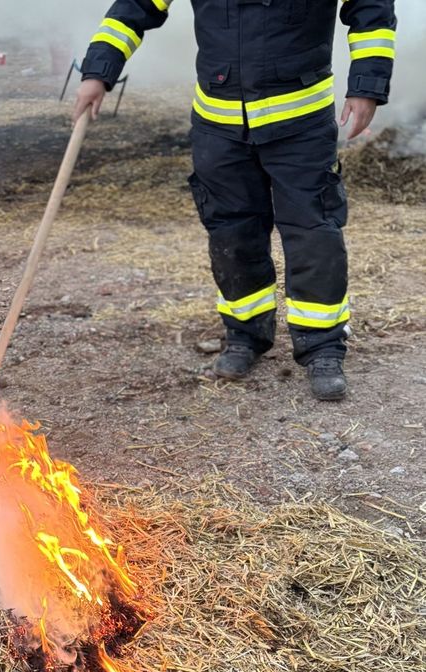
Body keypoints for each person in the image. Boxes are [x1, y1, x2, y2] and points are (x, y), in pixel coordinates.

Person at [73, 0, 396, 401]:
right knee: (231, 233)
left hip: (301, 122)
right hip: (219, 125)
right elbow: (134, 8)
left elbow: (371, 11)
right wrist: (98, 72)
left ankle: (323, 347)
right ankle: (245, 333)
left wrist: (367, 87)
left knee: (314, 232)